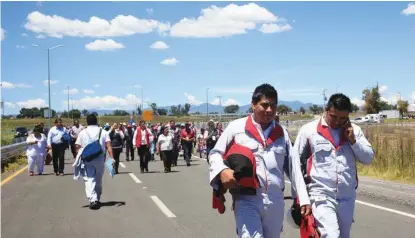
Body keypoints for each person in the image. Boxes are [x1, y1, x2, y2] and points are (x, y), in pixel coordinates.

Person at [209, 83, 311, 238]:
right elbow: (215, 153)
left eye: (273, 106)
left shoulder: (281, 133)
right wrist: (223, 171)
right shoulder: (236, 128)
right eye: (265, 105)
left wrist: (302, 199)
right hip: (246, 199)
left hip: (275, 201)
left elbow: (294, 167)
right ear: (253, 104)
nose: (269, 110)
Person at [291, 93, 375, 238]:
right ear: (327, 111)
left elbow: (368, 158)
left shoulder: (354, 131)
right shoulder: (309, 131)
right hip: (321, 196)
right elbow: (295, 165)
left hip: (347, 197)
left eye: (342, 118)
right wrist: (302, 199)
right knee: (331, 235)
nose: (337, 121)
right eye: (334, 116)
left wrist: (353, 141)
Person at [75, 114, 114, 210]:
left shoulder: (83, 132)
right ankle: (97, 198)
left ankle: (93, 199)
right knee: (98, 179)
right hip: (100, 159)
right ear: (96, 121)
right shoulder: (103, 131)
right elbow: (108, 145)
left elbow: (77, 146)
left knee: (89, 178)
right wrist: (112, 158)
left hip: (87, 159)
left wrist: (79, 155)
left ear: (87, 121)